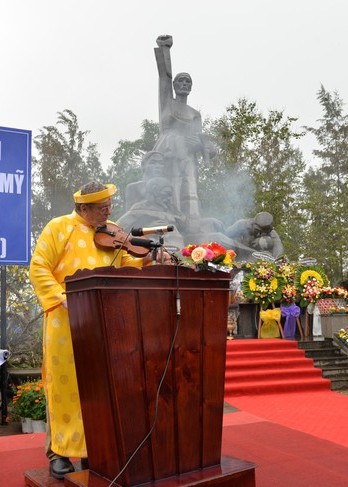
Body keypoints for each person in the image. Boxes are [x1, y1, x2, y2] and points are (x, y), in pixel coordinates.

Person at [29, 181, 166, 479]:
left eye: (109, 207)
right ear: (82, 208)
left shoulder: (113, 229)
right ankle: (59, 452)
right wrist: (60, 299)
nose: (108, 212)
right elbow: (38, 267)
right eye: (101, 209)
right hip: (66, 320)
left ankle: (98, 449)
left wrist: (146, 257)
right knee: (66, 385)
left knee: (102, 387)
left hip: (106, 320)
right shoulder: (58, 227)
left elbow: (129, 262)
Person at [152, 34, 213, 218]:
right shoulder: (167, 103)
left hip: (187, 155)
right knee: (173, 184)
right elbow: (164, 77)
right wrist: (165, 49)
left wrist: (200, 146)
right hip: (169, 149)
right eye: (181, 81)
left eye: (188, 82)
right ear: (175, 85)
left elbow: (200, 138)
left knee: (190, 186)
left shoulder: (195, 114)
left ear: (191, 87)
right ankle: (173, 216)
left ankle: (193, 219)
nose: (184, 84)